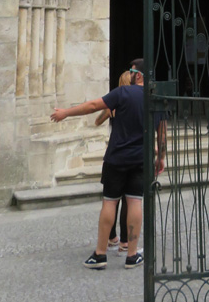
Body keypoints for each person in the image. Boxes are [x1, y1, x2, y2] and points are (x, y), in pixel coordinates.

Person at [50, 58, 162, 271]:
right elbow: (162, 134)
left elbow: (93, 107)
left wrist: (65, 113)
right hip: (140, 159)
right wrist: (162, 156)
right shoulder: (155, 98)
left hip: (116, 158)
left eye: (131, 71)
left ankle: (100, 254)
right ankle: (131, 255)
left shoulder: (122, 93)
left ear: (137, 75)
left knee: (110, 202)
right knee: (135, 203)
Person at [95, 69, 132, 252]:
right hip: (133, 155)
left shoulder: (115, 104)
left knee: (111, 199)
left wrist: (108, 110)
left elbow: (97, 121)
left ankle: (111, 238)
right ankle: (125, 242)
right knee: (129, 201)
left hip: (115, 153)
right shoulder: (136, 102)